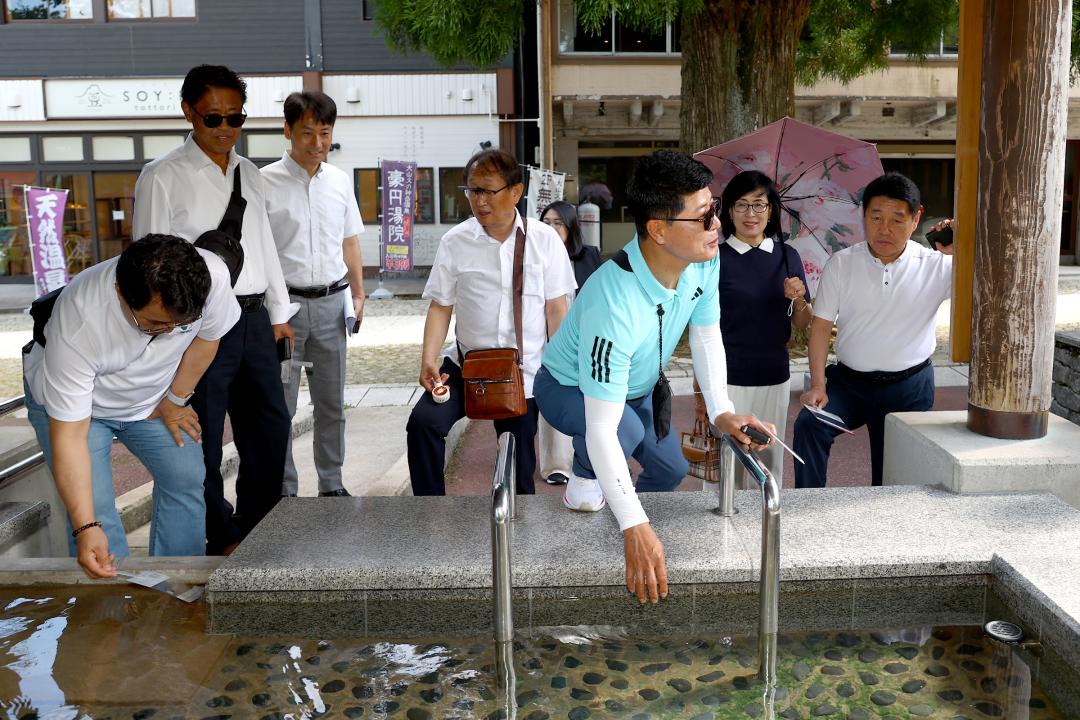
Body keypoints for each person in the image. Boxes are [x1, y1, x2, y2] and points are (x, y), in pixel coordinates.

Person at [534, 150, 773, 605]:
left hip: (638, 388)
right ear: (659, 229)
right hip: (567, 387)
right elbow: (601, 428)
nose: (718, 225)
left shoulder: (704, 260)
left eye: (715, 209)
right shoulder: (613, 300)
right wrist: (635, 526)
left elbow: (707, 337)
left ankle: (619, 505)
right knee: (620, 432)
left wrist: (721, 411)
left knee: (671, 468)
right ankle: (585, 483)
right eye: (703, 217)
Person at [133, 64, 297, 554]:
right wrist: (163, 335)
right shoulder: (162, 176)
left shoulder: (250, 173)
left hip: (254, 319)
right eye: (213, 118)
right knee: (199, 434)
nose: (226, 128)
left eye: (235, 118)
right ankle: (220, 534)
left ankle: (261, 527)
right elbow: (147, 261)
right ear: (189, 112)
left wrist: (280, 313)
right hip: (197, 327)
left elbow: (264, 245)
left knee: (270, 428)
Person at [22, 235, 240, 578]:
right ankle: (113, 597)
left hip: (152, 399)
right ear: (121, 292)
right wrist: (85, 526)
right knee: (96, 510)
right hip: (84, 409)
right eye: (154, 324)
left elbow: (208, 337)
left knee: (185, 476)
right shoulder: (80, 320)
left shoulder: (210, 277)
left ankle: (174, 584)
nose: (170, 332)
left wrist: (175, 399)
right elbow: (71, 437)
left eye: (180, 323)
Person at [406, 148, 576, 496]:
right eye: (472, 190)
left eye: (487, 190)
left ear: (515, 191)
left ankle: (520, 525)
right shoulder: (455, 241)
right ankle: (428, 512)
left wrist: (559, 371)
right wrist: (428, 359)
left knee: (520, 468)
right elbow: (441, 307)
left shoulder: (544, 240)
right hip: (466, 366)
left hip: (523, 373)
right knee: (423, 424)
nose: (478, 200)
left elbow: (556, 310)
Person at [792, 172, 954, 489]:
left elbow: (995, 280)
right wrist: (818, 385)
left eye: (897, 219)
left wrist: (966, 239)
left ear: (916, 218)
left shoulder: (938, 266)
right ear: (863, 215)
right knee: (810, 424)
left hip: (909, 388)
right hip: (849, 384)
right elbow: (820, 328)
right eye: (876, 217)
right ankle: (807, 503)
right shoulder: (841, 263)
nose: (884, 229)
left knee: (891, 477)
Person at [262, 91, 365, 498]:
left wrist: (359, 294)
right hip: (284, 311)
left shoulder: (339, 181)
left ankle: (332, 484)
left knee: (331, 405)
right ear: (287, 131)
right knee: (281, 407)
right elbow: (259, 252)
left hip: (332, 306)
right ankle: (285, 490)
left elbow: (350, 241)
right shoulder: (263, 183)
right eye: (307, 132)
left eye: (324, 132)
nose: (317, 142)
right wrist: (274, 312)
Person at [694, 170, 810, 484]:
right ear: (728, 211)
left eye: (759, 205)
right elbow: (701, 331)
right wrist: (701, 393)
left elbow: (802, 322)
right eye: (742, 205)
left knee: (769, 463)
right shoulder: (714, 259)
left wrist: (799, 298)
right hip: (726, 381)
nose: (751, 214)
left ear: (771, 210)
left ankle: (766, 514)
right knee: (727, 469)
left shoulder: (788, 256)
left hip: (774, 376)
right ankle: (722, 516)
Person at [537, 200, 602, 486]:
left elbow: (601, 296)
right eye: (546, 223)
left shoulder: (589, 255)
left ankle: (595, 458)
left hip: (585, 337)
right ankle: (556, 464)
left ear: (571, 227)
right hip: (546, 338)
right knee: (555, 395)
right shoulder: (533, 257)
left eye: (558, 223)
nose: (551, 228)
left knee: (593, 401)